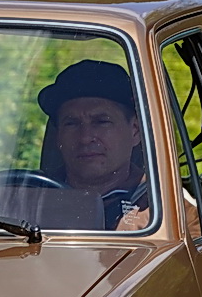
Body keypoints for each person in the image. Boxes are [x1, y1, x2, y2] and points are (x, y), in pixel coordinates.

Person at [37, 59, 151, 231]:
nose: (85, 137)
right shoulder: (29, 198)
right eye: (72, 123)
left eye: (101, 122)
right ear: (58, 136)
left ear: (135, 131)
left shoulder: (164, 208)